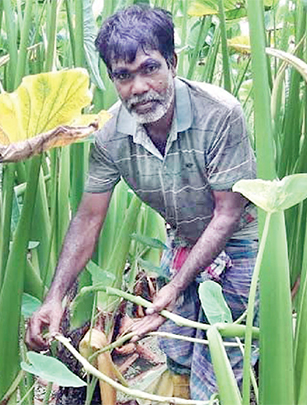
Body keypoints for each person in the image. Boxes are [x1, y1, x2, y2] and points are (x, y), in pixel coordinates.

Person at [26, 4, 258, 401]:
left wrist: (174, 286)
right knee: (180, 352)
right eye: (123, 75)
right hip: (184, 240)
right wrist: (55, 297)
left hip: (241, 243)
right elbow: (88, 218)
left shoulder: (220, 114)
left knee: (221, 361)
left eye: (150, 68)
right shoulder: (110, 133)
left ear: (173, 62)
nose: (138, 87)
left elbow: (227, 214)